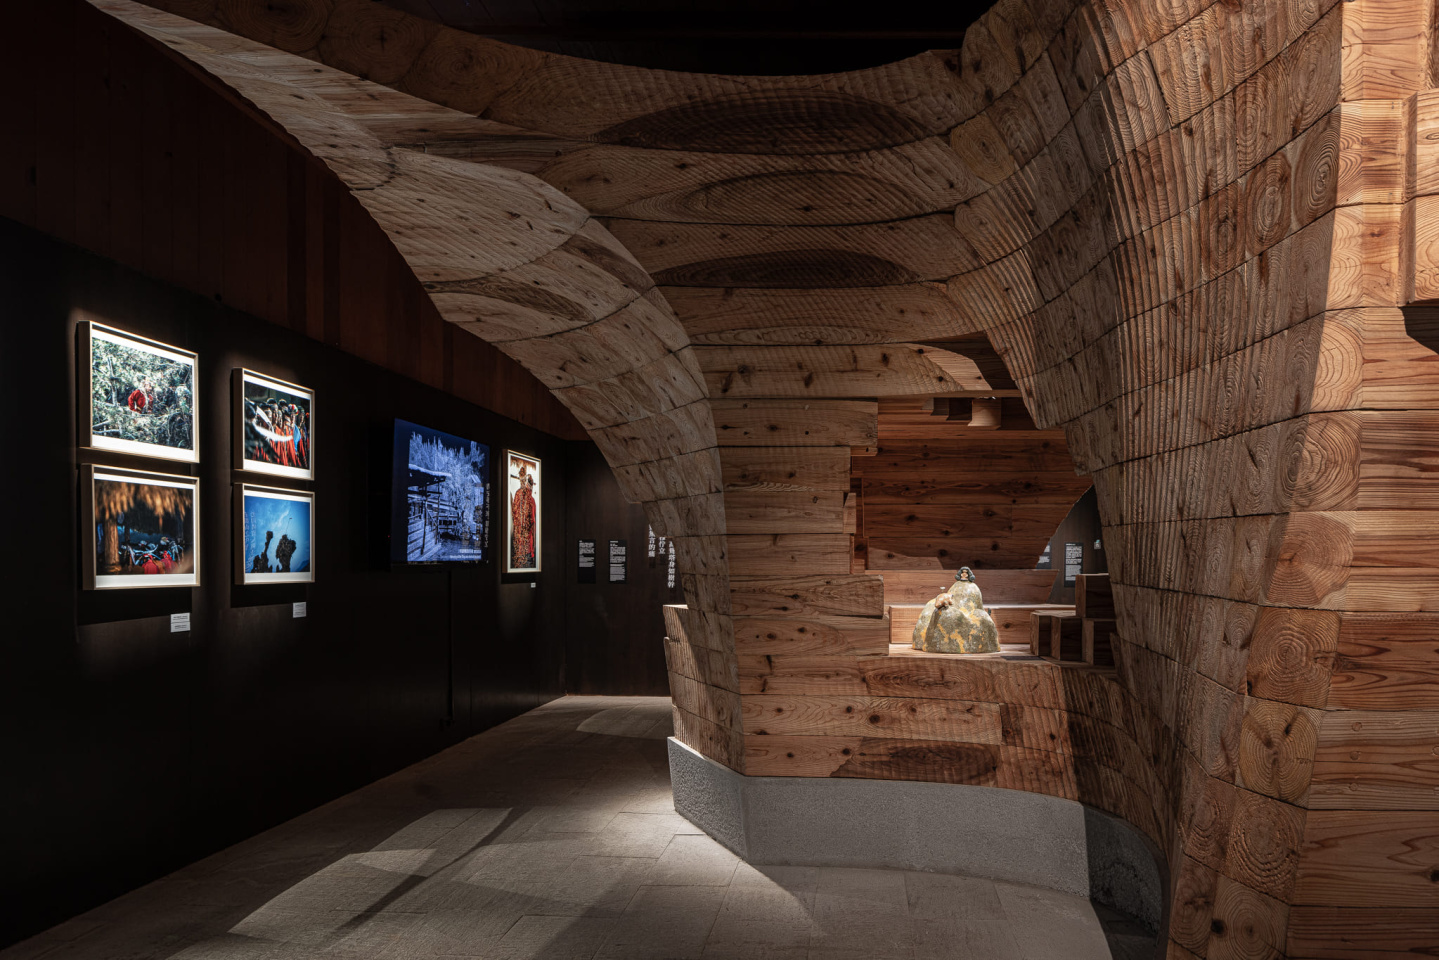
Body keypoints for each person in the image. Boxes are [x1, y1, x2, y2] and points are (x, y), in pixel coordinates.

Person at [510, 465, 537, 569]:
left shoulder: (523, 496)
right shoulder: (520, 496)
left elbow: (531, 522)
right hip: (523, 545)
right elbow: (532, 522)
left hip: (522, 545)